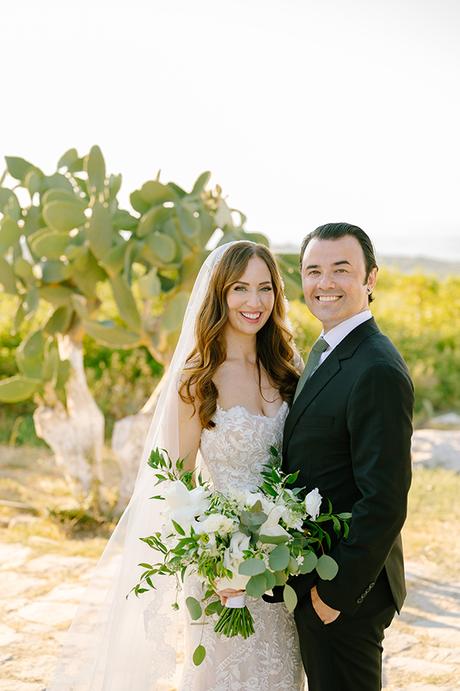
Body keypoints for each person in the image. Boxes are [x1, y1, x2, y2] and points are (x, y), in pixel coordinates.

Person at [49, 240, 305, 690]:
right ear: (220, 294)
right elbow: (178, 481)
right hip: (220, 565)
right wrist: (220, 560)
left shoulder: (287, 366)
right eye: (240, 288)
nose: (255, 301)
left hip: (283, 565)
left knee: (280, 674)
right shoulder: (198, 376)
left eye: (265, 288)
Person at [270, 222, 414, 691]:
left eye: (341, 269)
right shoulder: (329, 347)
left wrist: (334, 594)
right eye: (313, 270)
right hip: (314, 575)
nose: (324, 283)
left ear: (371, 278)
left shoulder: (375, 367)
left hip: (345, 589)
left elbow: (385, 500)